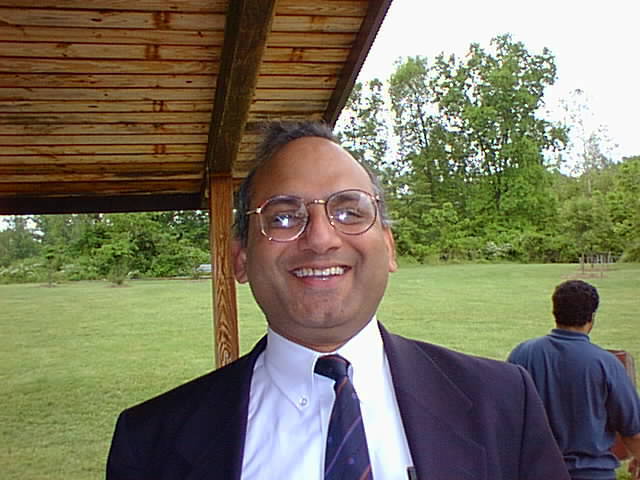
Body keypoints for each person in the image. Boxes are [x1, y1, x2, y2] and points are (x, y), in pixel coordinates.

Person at [107, 121, 569, 480]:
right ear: (240, 259)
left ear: (388, 247)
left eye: (348, 211)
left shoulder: (504, 403)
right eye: (284, 217)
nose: (321, 238)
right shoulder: (151, 442)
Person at [508, 279, 640, 480]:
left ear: (555, 312)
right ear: (592, 317)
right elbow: (632, 430)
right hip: (592, 474)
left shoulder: (522, 354)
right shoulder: (606, 363)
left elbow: (505, 415)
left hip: (535, 471)